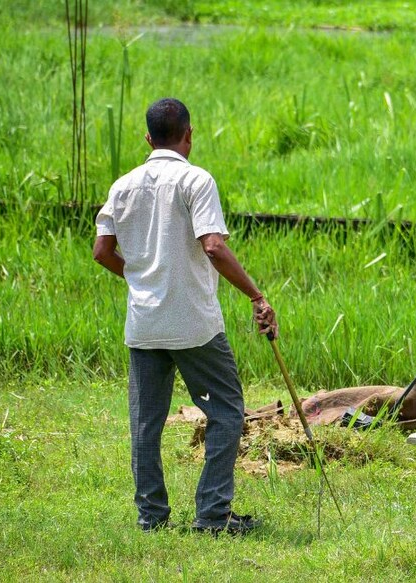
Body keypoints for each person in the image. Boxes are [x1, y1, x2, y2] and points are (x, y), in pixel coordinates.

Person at [92, 98, 278, 534]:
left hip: (145, 323)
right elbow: (212, 245)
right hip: (194, 323)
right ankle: (212, 515)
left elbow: (101, 251)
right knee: (227, 412)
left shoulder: (123, 186)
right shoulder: (196, 180)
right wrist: (256, 295)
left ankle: (151, 517)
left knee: (145, 425)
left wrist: (141, 277)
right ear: (189, 135)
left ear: (148, 138)